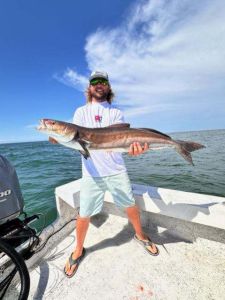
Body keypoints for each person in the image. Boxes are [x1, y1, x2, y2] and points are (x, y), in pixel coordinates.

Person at [54, 71, 159, 278]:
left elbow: (122, 144)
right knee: (84, 214)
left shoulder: (116, 113)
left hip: (116, 171)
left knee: (130, 206)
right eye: (95, 82)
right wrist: (58, 137)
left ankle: (140, 235)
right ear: (89, 87)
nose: (99, 84)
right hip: (91, 174)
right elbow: (75, 141)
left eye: (103, 81)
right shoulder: (80, 112)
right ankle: (78, 250)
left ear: (108, 87)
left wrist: (135, 151)